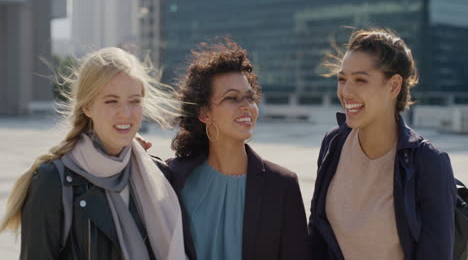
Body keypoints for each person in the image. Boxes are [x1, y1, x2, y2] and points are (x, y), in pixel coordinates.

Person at [0, 47, 187, 260]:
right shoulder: (53, 181)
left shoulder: (157, 174)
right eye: (111, 101)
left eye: (134, 101)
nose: (125, 113)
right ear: (87, 106)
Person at [308, 28, 456, 260]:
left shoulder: (429, 163)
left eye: (360, 80)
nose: (346, 91)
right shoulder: (333, 143)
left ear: (394, 86)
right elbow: (317, 233)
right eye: (342, 79)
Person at [163, 39, 311, 260]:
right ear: (205, 114)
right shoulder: (173, 178)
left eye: (250, 98)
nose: (246, 106)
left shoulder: (281, 185)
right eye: (231, 98)